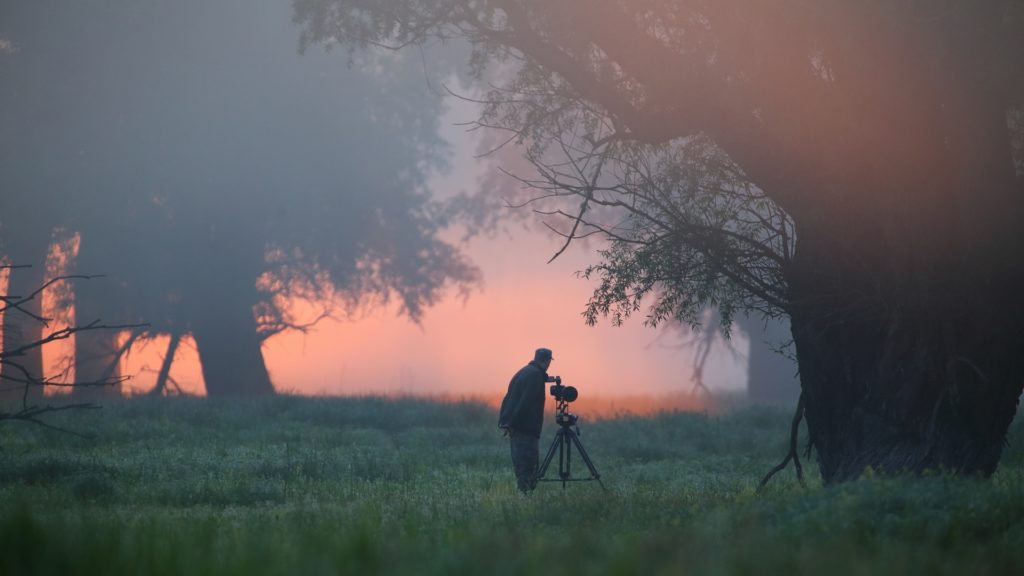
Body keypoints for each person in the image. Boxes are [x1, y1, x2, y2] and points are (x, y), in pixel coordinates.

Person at [498, 347, 553, 493]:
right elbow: (525, 403)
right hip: (526, 430)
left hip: (516, 428)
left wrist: (506, 422)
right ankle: (526, 499)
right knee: (528, 469)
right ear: (548, 362)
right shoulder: (535, 376)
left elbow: (507, 398)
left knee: (521, 466)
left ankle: (524, 498)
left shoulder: (522, 372)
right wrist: (513, 422)